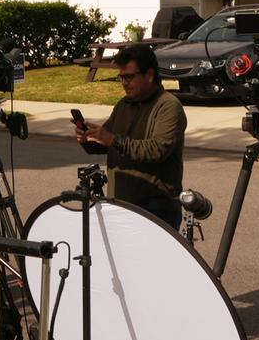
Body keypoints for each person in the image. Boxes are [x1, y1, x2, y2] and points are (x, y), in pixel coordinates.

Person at [74, 43, 187, 227]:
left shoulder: (168, 106)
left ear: (149, 75)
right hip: (120, 205)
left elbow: (156, 150)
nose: (124, 83)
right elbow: (108, 142)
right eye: (121, 77)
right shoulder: (123, 105)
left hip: (157, 209)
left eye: (129, 77)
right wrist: (87, 138)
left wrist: (111, 139)